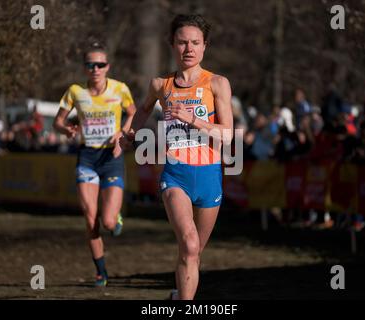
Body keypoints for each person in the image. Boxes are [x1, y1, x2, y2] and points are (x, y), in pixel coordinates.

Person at [118, 14, 233, 300]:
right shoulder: (161, 85)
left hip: (209, 176)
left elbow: (228, 135)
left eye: (195, 42)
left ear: (205, 46)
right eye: (182, 42)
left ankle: (177, 294)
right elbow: (144, 109)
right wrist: (130, 133)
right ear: (172, 45)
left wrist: (194, 120)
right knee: (190, 244)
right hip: (176, 174)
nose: (189, 49)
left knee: (193, 252)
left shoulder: (217, 84)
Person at [53, 42, 136, 287]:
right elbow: (57, 122)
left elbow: (133, 113)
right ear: (85, 68)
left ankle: (115, 219)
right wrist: (66, 129)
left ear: (107, 67)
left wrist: (122, 131)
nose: (96, 69)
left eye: (100, 64)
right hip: (87, 157)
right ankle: (101, 271)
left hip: (111, 158)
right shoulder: (75, 92)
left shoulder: (120, 89)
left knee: (108, 222)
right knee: (90, 220)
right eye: (91, 65)